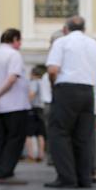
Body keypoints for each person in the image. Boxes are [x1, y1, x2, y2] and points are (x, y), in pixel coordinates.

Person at [45, 16, 96, 188]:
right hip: (88, 91)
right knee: (84, 137)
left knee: (59, 133)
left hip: (67, 89)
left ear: (66, 28)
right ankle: (84, 177)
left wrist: (54, 85)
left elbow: (53, 70)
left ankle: (67, 177)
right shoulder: (95, 44)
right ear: (84, 29)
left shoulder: (62, 42)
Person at [0, 28, 31, 185]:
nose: (20, 44)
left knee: (1, 139)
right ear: (15, 39)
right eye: (20, 41)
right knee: (15, 139)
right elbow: (12, 78)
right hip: (15, 104)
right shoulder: (14, 55)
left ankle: (0, 170)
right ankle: (6, 172)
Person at [41, 30, 63, 166]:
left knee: (51, 132)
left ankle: (52, 158)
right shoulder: (59, 52)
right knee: (56, 132)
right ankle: (54, 158)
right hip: (54, 101)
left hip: (51, 102)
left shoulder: (53, 53)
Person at [25, 66, 46, 162]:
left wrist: (25, 103)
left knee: (28, 134)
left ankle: (31, 155)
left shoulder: (34, 82)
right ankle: (41, 155)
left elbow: (32, 94)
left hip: (32, 109)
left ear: (33, 74)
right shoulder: (44, 82)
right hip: (41, 109)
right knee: (40, 133)